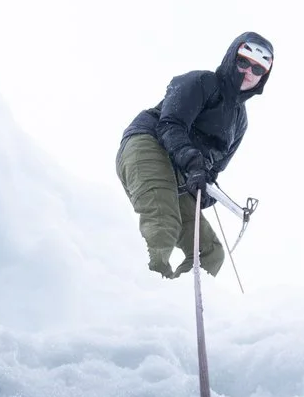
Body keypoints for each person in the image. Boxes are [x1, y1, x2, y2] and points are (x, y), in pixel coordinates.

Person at [115, 32, 274, 278]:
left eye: (257, 68)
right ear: (232, 58)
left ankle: (178, 298)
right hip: (149, 143)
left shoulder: (240, 122)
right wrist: (192, 161)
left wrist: (204, 186)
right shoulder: (202, 82)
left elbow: (214, 167)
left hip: (179, 171)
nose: (248, 72)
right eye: (243, 62)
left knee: (211, 253)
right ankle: (145, 285)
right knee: (163, 222)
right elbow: (170, 124)